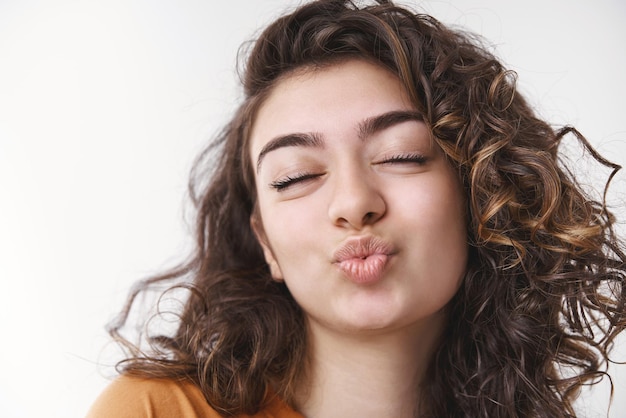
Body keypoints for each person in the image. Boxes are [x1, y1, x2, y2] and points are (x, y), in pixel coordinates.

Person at [87, 0, 626, 417]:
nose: (353, 204)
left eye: (401, 156)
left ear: (479, 195)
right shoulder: (155, 411)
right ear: (265, 242)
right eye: (296, 176)